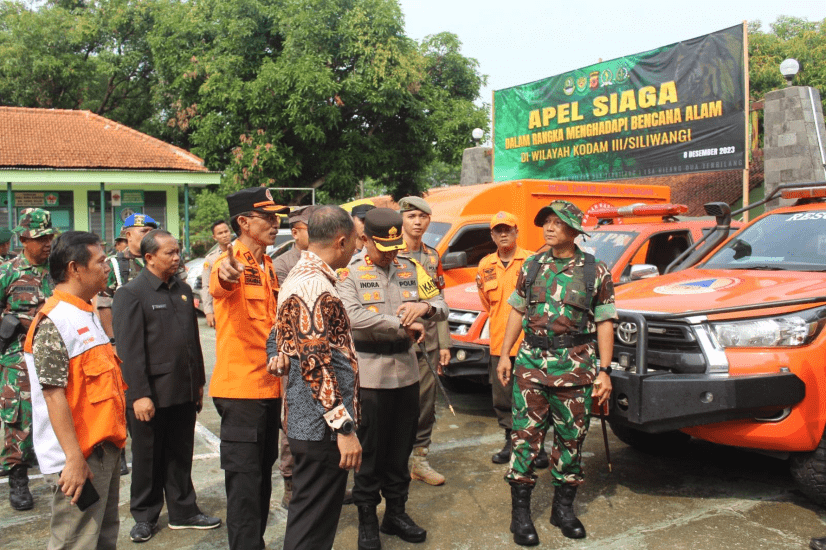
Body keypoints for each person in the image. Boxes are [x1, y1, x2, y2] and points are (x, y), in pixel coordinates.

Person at [496, 200, 616, 546]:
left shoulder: (595, 270)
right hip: (531, 366)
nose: (549, 228)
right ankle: (520, 516)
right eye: (545, 222)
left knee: (571, 440)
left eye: (557, 222)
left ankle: (562, 510)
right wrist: (506, 354)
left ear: (574, 230)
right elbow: (517, 313)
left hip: (575, 369)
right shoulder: (531, 265)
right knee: (524, 441)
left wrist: (604, 371)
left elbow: (605, 322)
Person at [339, 207, 447, 550]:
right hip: (369, 375)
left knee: (401, 449)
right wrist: (401, 323)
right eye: (382, 247)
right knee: (370, 453)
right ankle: (367, 521)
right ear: (364, 240)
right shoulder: (349, 274)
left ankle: (395, 514)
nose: (389, 254)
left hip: (407, 372)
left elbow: (440, 303)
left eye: (394, 246)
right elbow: (353, 316)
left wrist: (425, 309)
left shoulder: (410, 267)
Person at [112, 229, 221, 543]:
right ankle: (145, 515)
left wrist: (198, 384)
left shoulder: (183, 290)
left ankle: (183, 511)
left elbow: (192, 342)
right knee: (148, 458)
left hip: (182, 390)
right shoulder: (131, 293)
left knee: (180, 453)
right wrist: (139, 395)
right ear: (149, 257)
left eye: (178, 251)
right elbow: (129, 351)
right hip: (151, 394)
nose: (177, 258)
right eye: (170, 253)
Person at [23, 231, 127, 549]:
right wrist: (73, 460)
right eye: (99, 261)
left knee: (104, 535)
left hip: (102, 450)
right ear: (75, 268)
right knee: (76, 541)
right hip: (80, 459)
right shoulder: (55, 321)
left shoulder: (84, 310)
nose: (107, 266)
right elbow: (53, 396)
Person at [272, 205, 361, 550]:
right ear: (341, 241)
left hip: (312, 422)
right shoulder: (313, 286)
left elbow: (283, 336)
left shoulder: (305, 275)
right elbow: (316, 365)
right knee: (312, 527)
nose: (356, 248)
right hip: (321, 428)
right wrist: (345, 429)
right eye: (355, 241)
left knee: (311, 520)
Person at [210, 187, 287, 550]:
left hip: (268, 388)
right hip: (241, 392)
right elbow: (221, 283)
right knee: (243, 485)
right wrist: (226, 273)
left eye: (276, 217)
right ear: (243, 221)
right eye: (267, 217)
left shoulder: (267, 265)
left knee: (261, 478)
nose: (276, 224)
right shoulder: (229, 261)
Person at [97, 213, 167, 477]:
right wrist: (115, 342)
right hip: (122, 345)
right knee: (121, 399)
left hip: (154, 343)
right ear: (127, 235)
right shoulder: (115, 265)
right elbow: (104, 306)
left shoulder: (158, 260)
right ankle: (122, 447)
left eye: (152, 230)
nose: (148, 235)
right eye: (142, 231)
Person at [0, 207, 57, 510]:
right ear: (23, 238)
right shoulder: (7, 272)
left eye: (49, 236)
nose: (46, 242)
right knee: (19, 418)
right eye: (39, 237)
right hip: (17, 358)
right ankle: (18, 479)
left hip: (54, 355)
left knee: (58, 411)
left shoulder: (60, 269)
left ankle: (60, 468)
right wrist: (9, 322)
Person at [397, 196, 451, 486]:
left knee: (425, 404)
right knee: (396, 404)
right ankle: (394, 460)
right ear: (402, 220)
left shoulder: (432, 257)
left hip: (428, 344)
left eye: (422, 216)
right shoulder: (390, 254)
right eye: (411, 216)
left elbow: (439, 300)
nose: (417, 222)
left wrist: (445, 344)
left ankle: (419, 459)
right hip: (396, 343)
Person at [268, 203, 316, 509]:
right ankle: (291, 481)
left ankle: (317, 479)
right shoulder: (283, 264)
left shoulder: (329, 260)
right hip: (296, 356)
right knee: (294, 421)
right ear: (296, 232)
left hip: (324, 355)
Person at [476, 211, 533, 465]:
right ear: (491, 235)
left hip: (530, 344)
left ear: (516, 232)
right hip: (500, 344)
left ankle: (535, 446)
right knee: (503, 399)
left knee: (533, 397)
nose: (503, 234)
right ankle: (511, 442)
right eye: (497, 230)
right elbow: (487, 303)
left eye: (507, 229)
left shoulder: (532, 261)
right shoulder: (485, 265)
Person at [273, 205, 316, 286]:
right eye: (311, 229)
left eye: (318, 228)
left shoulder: (327, 259)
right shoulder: (282, 265)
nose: (316, 233)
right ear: (295, 233)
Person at [201, 220, 233, 329]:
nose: (224, 235)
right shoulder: (210, 259)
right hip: (221, 307)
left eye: (226, 231)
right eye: (220, 233)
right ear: (214, 237)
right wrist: (208, 311)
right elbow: (206, 286)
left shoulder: (239, 252)